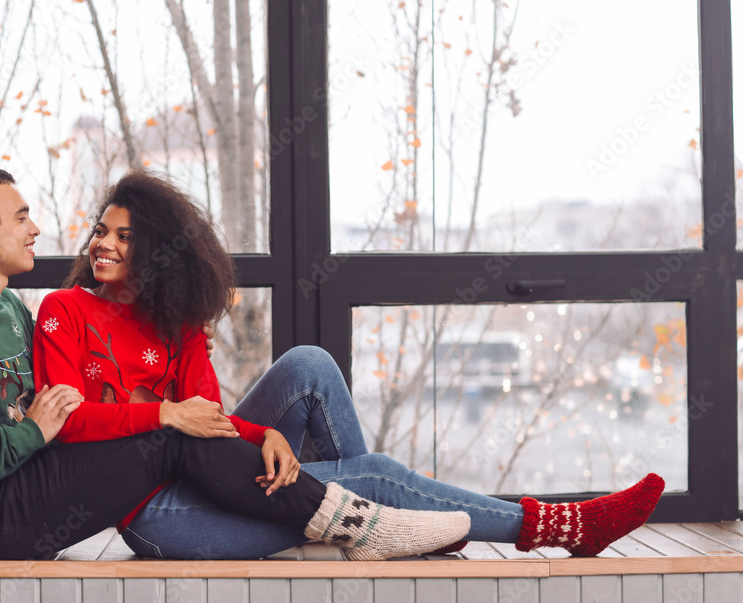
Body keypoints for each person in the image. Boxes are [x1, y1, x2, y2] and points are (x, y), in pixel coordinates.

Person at [33, 169, 666, 560]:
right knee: (376, 475)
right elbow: (71, 422)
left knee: (308, 364)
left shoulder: (176, 322)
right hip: (161, 517)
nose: (103, 245)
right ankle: (560, 525)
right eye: (102, 231)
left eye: (124, 237)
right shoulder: (66, 309)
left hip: (211, 478)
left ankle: (373, 530)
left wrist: (265, 433)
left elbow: (212, 424)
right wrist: (166, 411)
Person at [0, 167, 474, 561]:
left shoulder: (9, 306)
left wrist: (258, 428)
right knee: (169, 432)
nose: (36, 228)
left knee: (195, 419)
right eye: (21, 217)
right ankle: (360, 524)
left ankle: (350, 521)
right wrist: (30, 433)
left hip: (27, 484)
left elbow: (67, 402)